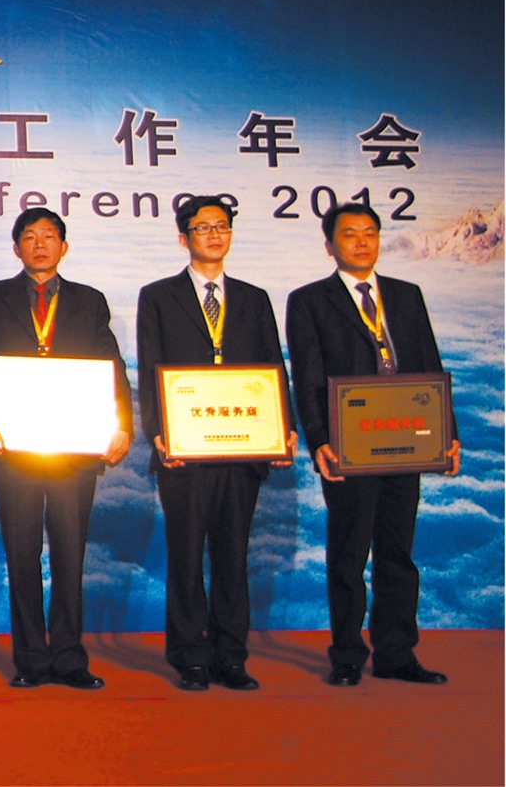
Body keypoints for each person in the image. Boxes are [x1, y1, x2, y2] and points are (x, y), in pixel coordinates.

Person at [285, 202, 460, 687]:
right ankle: (346, 655)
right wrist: (320, 441)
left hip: (408, 441)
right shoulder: (310, 300)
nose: (362, 242)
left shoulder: (406, 295)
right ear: (329, 245)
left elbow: (430, 366)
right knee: (348, 554)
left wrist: (447, 434)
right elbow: (307, 377)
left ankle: (396, 654)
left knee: (398, 554)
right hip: (349, 446)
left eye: (370, 233)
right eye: (349, 234)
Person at [0, 207, 132, 690]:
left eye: (49, 236)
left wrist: (121, 424)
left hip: (73, 446)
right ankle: (31, 660)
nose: (40, 245)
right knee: (22, 553)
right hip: (13, 446)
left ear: (64, 246)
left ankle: (70, 657)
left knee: (69, 553)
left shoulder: (88, 301)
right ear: (16, 248)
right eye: (30, 237)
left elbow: (111, 365)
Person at [135, 195, 295, 692]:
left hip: (243, 449)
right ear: (183, 238)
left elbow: (273, 366)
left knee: (233, 555)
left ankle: (231, 656)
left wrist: (283, 428)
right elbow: (150, 366)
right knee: (185, 556)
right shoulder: (158, 296)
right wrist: (158, 434)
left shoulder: (254, 298)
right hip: (183, 451)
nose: (214, 235)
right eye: (203, 227)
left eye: (221, 226)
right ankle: (190, 657)